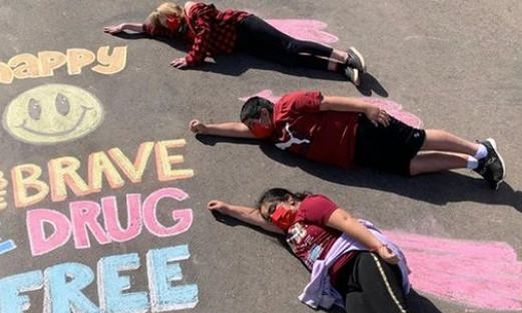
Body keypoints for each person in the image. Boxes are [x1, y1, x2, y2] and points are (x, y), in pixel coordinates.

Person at [208, 188, 458, 313]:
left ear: (290, 198)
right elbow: (255, 217)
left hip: (361, 259)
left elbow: (347, 221)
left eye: (274, 208)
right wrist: (228, 209)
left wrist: (377, 247)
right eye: (269, 216)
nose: (273, 216)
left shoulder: (310, 206)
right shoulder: (287, 230)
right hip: (345, 286)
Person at [189, 90, 506, 189]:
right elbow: (236, 129)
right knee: (410, 167)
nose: (251, 132)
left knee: (418, 140)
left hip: (361, 129)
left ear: (262, 115)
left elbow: (328, 101)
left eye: (252, 125)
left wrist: (367, 107)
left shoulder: (288, 105)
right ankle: (473, 163)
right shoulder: (270, 134)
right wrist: (207, 128)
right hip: (355, 155)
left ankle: (480, 148)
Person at [103, 2, 365, 85]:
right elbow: (147, 29)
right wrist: (123, 28)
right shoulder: (175, 29)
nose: (167, 25)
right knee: (287, 61)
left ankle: (344, 55)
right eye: (165, 24)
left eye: (168, 20)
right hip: (241, 44)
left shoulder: (193, 10)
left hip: (245, 26)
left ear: (173, 14)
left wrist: (191, 60)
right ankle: (341, 70)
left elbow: (204, 34)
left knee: (291, 46)